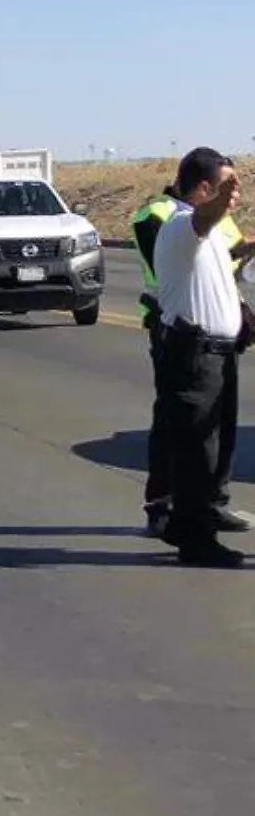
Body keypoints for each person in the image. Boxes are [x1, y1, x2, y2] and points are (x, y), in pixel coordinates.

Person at [134, 182, 254, 537]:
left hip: (216, 328)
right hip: (176, 323)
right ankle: (162, 505)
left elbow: (228, 253)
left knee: (218, 423)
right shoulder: (158, 215)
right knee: (177, 420)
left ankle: (212, 503)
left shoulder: (213, 216)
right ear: (205, 186)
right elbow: (174, 262)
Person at [152, 148, 247, 567]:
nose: (235, 198)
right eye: (225, 187)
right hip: (195, 356)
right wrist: (218, 205)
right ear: (204, 189)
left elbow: (219, 261)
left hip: (218, 356)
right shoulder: (180, 226)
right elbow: (201, 221)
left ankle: (189, 522)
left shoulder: (206, 236)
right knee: (198, 454)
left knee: (216, 447)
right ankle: (195, 541)